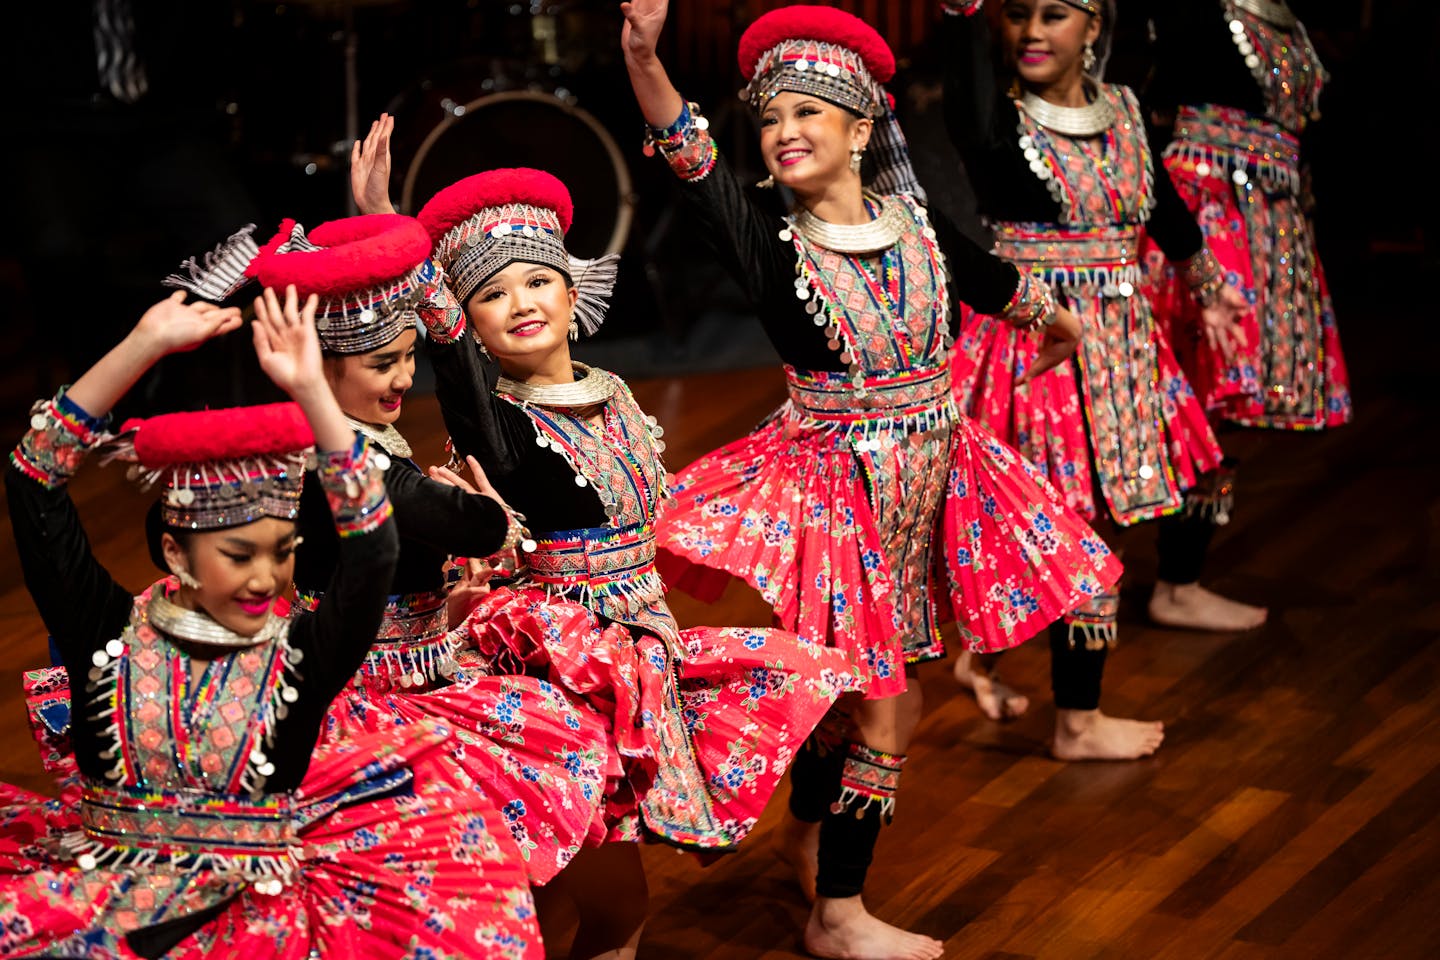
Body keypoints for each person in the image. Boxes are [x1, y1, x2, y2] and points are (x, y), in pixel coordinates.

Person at [620, 3, 1123, 958]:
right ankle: (838, 914)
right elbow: (694, 166)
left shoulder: (916, 228)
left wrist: (1057, 321)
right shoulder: (773, 248)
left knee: (862, 697)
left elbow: (994, 281)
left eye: (809, 113)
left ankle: (811, 834)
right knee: (889, 705)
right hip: (835, 506)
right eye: (771, 120)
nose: (785, 134)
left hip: (937, 487)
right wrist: (646, 60)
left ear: (861, 129)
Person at [0, 286, 541, 957]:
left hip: (258, 935)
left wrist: (313, 392)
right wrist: (144, 343)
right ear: (175, 551)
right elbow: (32, 480)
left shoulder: (300, 661)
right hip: (105, 923)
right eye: (238, 554)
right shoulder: (109, 637)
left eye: (282, 551)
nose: (265, 576)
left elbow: (374, 544)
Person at [246, 211, 610, 887]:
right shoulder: (350, 462)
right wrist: (492, 517)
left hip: (410, 674)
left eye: (409, 356)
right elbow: (472, 525)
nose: (403, 378)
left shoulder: (356, 444)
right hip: (368, 697)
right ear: (317, 371)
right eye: (384, 363)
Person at [937, 0, 1265, 741]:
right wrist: (961, 18)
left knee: (1110, 522)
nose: (1032, 31)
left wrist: (1210, 287)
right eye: (1018, 13)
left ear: (1094, 27)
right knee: (1059, 527)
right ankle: (1076, 722)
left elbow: (1163, 206)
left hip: (1122, 346)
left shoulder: (1122, 109)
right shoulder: (1000, 129)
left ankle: (997, 668)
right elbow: (968, 106)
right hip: (1036, 350)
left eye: (1056, 14)